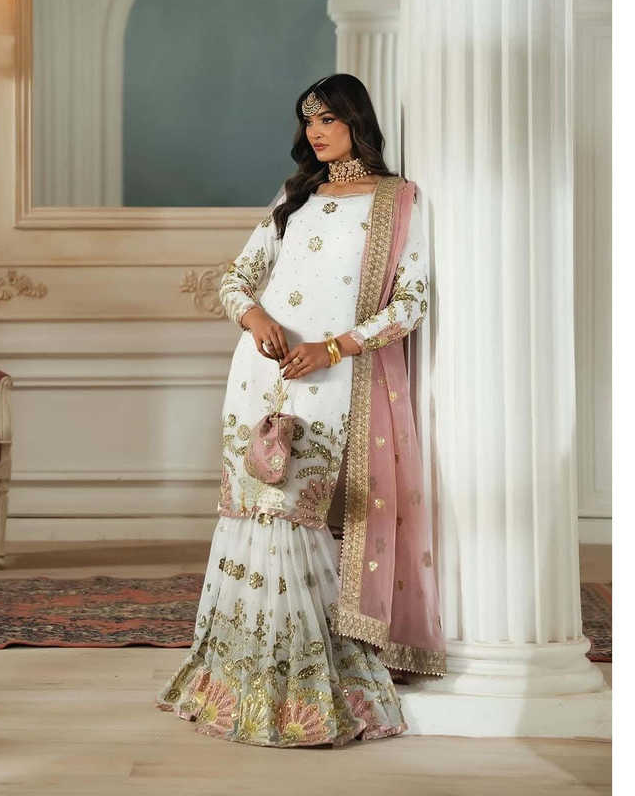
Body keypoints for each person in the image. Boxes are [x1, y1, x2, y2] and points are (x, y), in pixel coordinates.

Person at [155, 73, 445, 747]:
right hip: (259, 376)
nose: (315, 132)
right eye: (307, 120)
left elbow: (411, 303)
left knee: (298, 515)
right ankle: (239, 679)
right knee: (253, 514)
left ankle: (306, 686)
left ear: (356, 122)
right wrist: (255, 317)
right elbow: (236, 278)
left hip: (331, 379)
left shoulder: (399, 200)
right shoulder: (295, 197)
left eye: (327, 119)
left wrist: (334, 347)